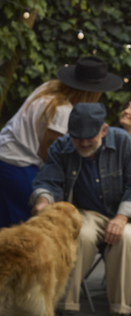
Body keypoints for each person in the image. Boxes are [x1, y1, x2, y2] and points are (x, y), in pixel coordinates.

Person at [30, 102, 131, 316]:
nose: (83, 143)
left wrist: (122, 217)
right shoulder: (61, 147)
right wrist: (43, 201)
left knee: (126, 239)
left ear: (104, 130)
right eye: (77, 138)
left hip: (121, 211)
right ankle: (60, 311)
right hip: (84, 212)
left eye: (89, 138)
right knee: (80, 236)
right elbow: (47, 182)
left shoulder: (123, 141)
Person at [0, 57, 120, 229]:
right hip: (19, 166)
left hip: (5, 155)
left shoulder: (49, 88)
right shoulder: (63, 111)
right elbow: (49, 156)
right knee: (26, 232)